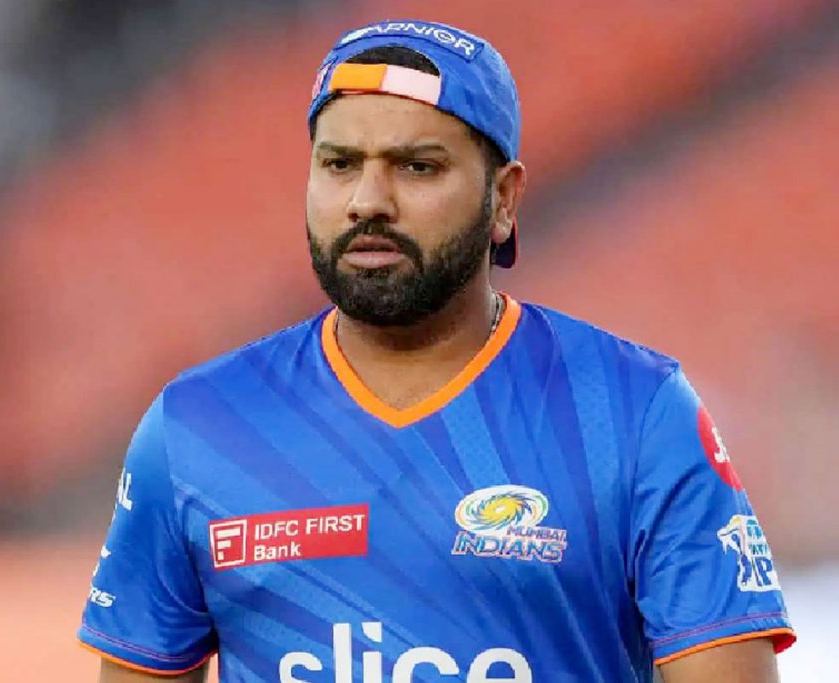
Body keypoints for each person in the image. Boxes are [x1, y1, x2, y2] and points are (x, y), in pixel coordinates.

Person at [78, 19, 795, 682]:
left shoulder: (635, 413)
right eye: (339, 163)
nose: (368, 200)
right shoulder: (196, 428)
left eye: (417, 167)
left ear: (504, 199)